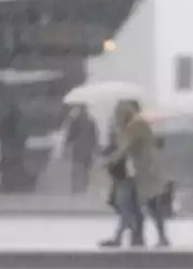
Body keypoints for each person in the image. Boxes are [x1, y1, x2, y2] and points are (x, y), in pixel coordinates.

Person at [102, 100, 169, 247]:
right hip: (136, 174)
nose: (118, 118)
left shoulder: (137, 126)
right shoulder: (126, 129)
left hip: (147, 173)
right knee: (131, 206)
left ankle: (156, 237)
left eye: (120, 114)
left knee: (148, 206)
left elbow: (126, 148)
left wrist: (111, 160)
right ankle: (127, 237)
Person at [66, 105, 99, 194]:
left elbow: (70, 136)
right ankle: (83, 188)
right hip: (87, 150)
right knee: (85, 171)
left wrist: (67, 143)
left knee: (77, 170)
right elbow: (94, 137)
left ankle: (76, 189)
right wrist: (95, 149)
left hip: (78, 149)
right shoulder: (91, 122)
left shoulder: (75, 121)